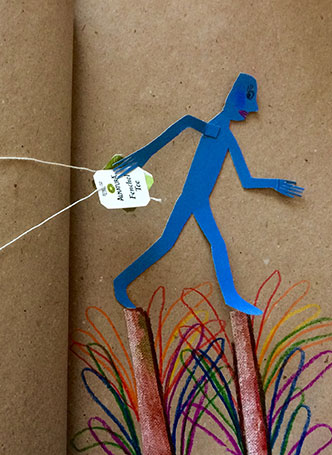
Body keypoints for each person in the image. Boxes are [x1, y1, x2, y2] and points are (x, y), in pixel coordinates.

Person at [112, 73, 303, 315]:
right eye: (247, 100)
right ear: (233, 97)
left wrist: (274, 183)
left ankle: (230, 296)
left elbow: (246, 181)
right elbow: (185, 122)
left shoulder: (228, 137)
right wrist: (144, 154)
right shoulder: (214, 128)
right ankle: (122, 282)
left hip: (200, 200)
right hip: (192, 197)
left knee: (183, 242)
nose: (251, 110)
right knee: (175, 242)